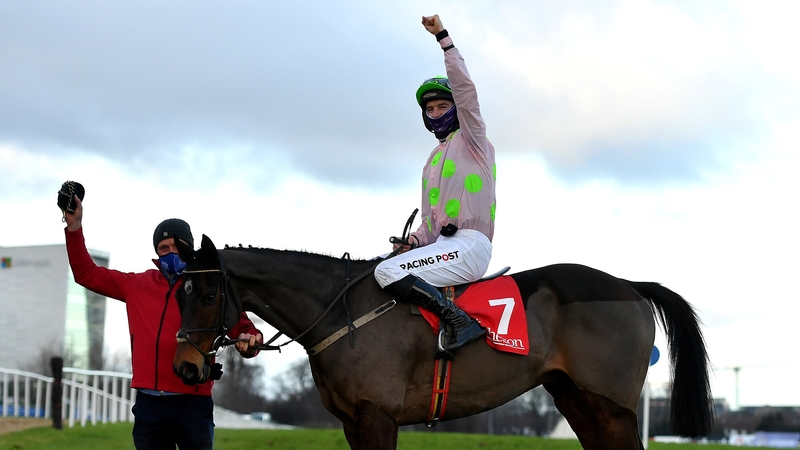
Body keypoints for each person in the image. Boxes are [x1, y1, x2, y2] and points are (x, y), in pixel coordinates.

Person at [61, 194, 263, 450]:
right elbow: (86, 273)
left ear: (189, 247)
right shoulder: (136, 285)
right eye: (163, 248)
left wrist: (250, 339)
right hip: (149, 403)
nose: (171, 253)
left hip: (193, 402)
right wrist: (74, 227)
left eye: (177, 246)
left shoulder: (206, 288)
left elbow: (245, 330)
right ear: (156, 251)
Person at [375, 14, 496, 356]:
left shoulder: (473, 139)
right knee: (373, 268)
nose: (436, 111)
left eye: (444, 105)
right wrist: (412, 242)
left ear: (457, 109)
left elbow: (466, 92)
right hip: (441, 247)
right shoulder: (431, 162)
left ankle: (460, 322)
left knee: (385, 272)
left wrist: (444, 38)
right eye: (431, 108)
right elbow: (430, 227)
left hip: (470, 246)